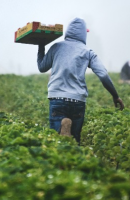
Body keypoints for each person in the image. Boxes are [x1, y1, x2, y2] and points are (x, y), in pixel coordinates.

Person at [37, 17, 124, 145]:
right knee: (75, 142)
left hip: (57, 98)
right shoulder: (88, 52)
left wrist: (41, 46)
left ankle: (63, 125)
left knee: (55, 142)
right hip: (77, 100)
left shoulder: (56, 47)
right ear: (84, 34)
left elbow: (42, 67)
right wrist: (115, 96)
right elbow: (103, 75)